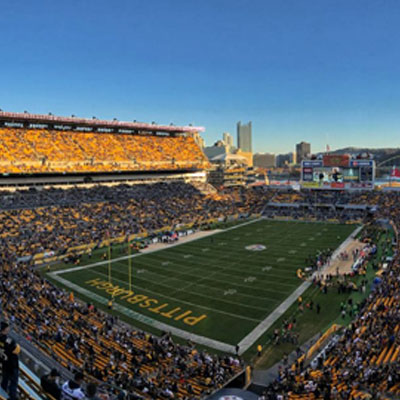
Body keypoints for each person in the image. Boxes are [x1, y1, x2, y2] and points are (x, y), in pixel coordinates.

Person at [0, 321, 20, 400]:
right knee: (13, 384)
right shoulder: (9, 341)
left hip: (4, 363)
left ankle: (2, 395)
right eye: (7, 327)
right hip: (12, 364)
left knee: (4, 381)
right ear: (4, 329)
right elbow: (17, 350)